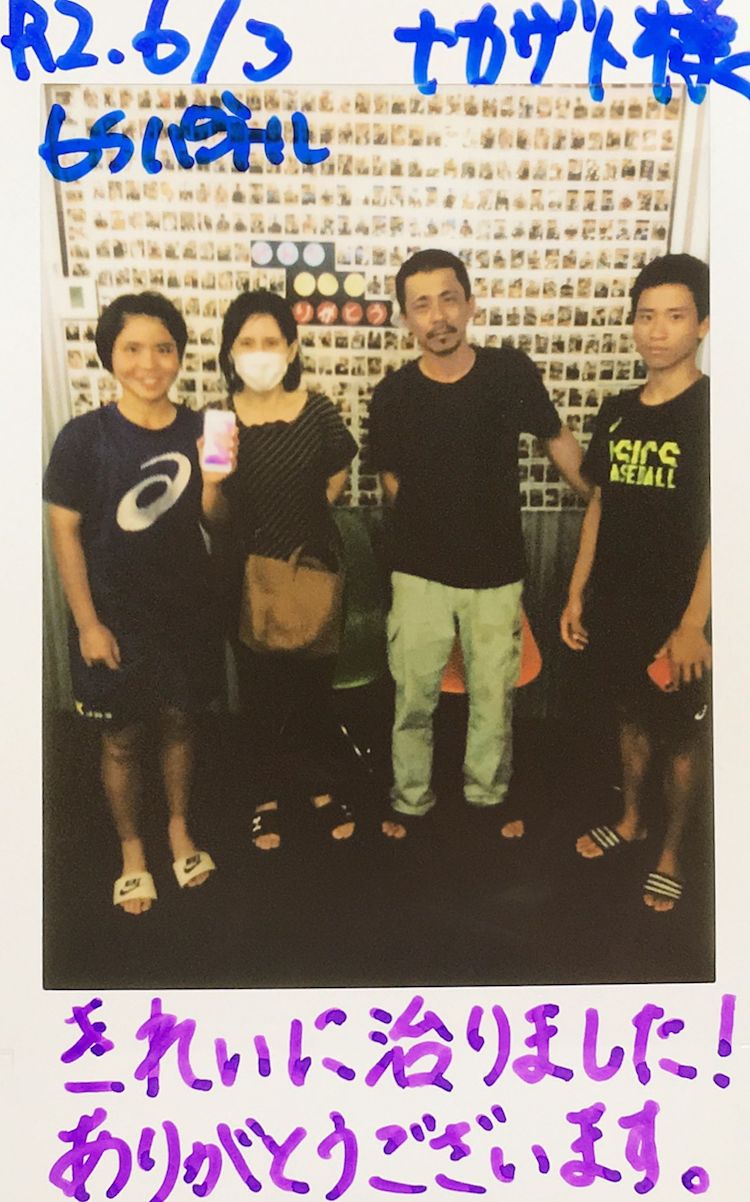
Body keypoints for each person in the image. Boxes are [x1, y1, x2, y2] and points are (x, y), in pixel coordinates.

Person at [368, 248, 590, 840]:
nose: (438, 316)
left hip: (496, 572)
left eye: (448, 299)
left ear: (470, 303)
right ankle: (409, 800)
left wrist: (600, 499)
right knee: (413, 699)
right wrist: (432, 519)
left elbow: (557, 439)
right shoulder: (392, 394)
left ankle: (487, 799)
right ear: (406, 318)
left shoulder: (508, 373)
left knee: (493, 698)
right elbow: (389, 476)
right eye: (422, 305)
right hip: (417, 573)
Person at [44, 292, 223, 915]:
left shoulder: (204, 429)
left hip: (187, 613)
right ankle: (130, 848)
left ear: (179, 354)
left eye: (163, 348)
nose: (150, 363)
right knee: (120, 739)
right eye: (133, 348)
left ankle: (177, 828)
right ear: (110, 356)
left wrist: (216, 483)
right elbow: (63, 530)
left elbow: (219, 523)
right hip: (113, 617)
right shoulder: (83, 438)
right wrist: (87, 623)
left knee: (179, 722)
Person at [560, 253, 711, 912]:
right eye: (646, 316)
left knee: (680, 734)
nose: (657, 330)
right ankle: (631, 821)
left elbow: (727, 525)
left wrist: (694, 623)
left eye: (675, 316)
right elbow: (600, 503)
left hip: (682, 609)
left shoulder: (717, 410)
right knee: (629, 713)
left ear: (702, 324)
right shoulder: (618, 409)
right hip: (617, 601)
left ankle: (672, 850)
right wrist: (576, 591)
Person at [202, 290, 358, 851]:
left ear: (291, 349)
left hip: (314, 566)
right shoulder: (220, 419)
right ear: (230, 351)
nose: (260, 352)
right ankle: (264, 797)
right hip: (246, 574)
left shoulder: (318, 410)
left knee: (314, 688)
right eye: (247, 342)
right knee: (260, 693)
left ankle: (319, 786)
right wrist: (212, 482)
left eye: (271, 341)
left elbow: (338, 466)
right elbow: (214, 518)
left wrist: (312, 515)